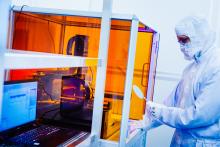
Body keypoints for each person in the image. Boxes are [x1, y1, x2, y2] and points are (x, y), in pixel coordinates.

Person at [144, 16, 220, 147]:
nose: (181, 47)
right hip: (180, 140)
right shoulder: (191, 68)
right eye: (179, 42)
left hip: (202, 143)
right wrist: (144, 123)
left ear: (199, 36)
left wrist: (159, 112)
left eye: (184, 40)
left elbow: (199, 116)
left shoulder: (216, 66)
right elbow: (172, 102)